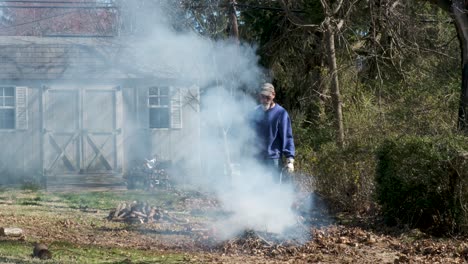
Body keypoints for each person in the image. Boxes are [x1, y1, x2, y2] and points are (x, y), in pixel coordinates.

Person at [250, 83, 295, 182]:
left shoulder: (281, 113)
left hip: (273, 159)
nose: (265, 99)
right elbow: (248, 136)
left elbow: (287, 136)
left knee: (272, 189)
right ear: (259, 96)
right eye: (262, 96)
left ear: (273, 95)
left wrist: (290, 159)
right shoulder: (254, 112)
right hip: (256, 158)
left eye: (268, 96)